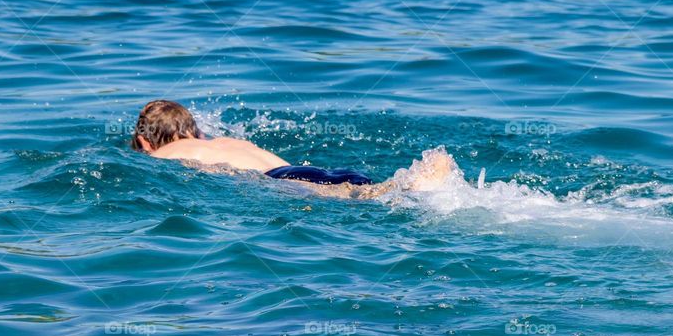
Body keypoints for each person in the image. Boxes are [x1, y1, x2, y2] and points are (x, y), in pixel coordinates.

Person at [131, 100, 457, 199]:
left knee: (367, 197)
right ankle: (416, 181)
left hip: (284, 180)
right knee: (362, 188)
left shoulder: (165, 153)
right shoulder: (224, 142)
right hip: (306, 169)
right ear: (195, 129)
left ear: (146, 141)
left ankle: (411, 185)